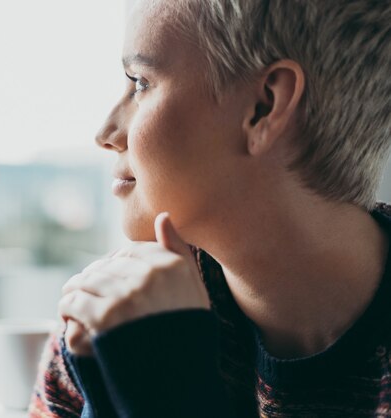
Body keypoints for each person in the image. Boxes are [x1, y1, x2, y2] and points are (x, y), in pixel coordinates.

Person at [28, 0, 391, 416]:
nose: (106, 132)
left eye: (140, 83)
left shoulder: (142, 337)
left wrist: (172, 399)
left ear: (264, 107)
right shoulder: (121, 318)